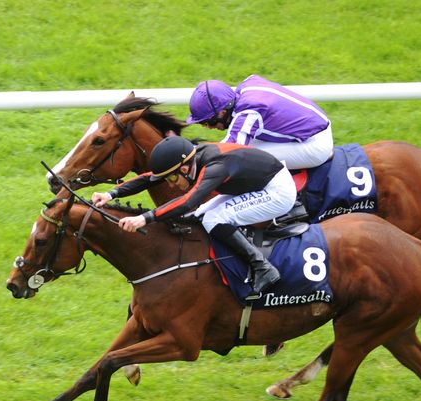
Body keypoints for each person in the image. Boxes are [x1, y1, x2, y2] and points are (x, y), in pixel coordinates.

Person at [92, 136, 296, 295]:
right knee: (198, 216)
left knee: (213, 219)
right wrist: (110, 194)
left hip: (277, 192)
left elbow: (187, 201)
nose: (171, 185)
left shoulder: (215, 167)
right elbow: (149, 179)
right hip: (254, 185)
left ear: (184, 169)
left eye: (172, 179)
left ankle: (262, 267)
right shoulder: (191, 159)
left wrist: (145, 218)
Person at [186, 75, 334, 170]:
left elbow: (228, 151)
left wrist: (189, 155)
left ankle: (288, 202)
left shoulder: (249, 112)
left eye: (208, 122)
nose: (209, 128)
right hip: (316, 127)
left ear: (222, 112)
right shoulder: (247, 85)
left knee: (247, 159)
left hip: (314, 145)